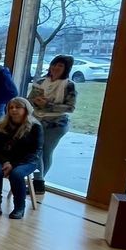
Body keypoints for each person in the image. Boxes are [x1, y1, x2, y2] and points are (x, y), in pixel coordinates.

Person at [28, 54, 77, 193]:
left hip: (56, 124)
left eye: (60, 66)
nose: (55, 68)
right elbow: (29, 100)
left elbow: (70, 107)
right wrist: (36, 102)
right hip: (37, 120)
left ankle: (38, 183)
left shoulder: (69, 85)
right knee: (36, 149)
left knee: (46, 152)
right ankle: (38, 182)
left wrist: (48, 105)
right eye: (54, 64)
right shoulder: (41, 81)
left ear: (66, 69)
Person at [0, 97, 42, 219]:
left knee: (16, 174)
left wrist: (13, 164)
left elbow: (35, 151)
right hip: (1, 158)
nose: (13, 110)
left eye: (18, 107)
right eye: (11, 107)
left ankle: (19, 208)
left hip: (26, 160)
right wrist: (6, 161)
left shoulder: (35, 127)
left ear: (26, 109)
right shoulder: (0, 125)